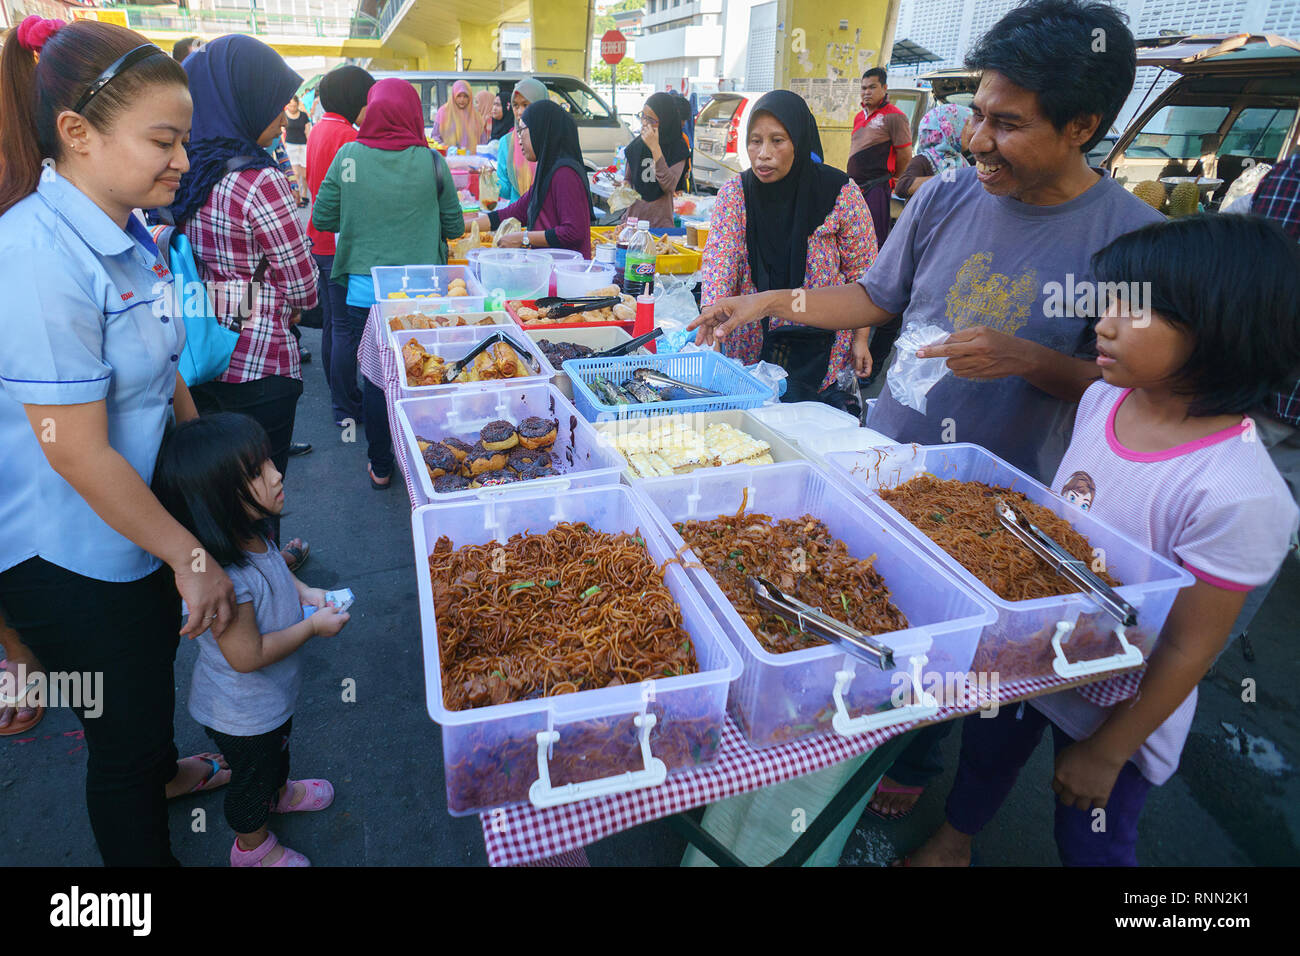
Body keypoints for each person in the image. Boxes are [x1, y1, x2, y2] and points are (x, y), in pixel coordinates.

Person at [690, 0, 1164, 820]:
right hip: (886, 472)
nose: (976, 139)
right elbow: (874, 297)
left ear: (1082, 124)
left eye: (1006, 123)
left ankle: (946, 798)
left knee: (980, 678)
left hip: (996, 518)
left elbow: (1139, 396)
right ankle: (874, 756)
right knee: (873, 625)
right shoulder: (945, 199)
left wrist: (1034, 361)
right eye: (977, 113)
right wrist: (769, 299)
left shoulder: (1129, 242)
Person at [900, 214, 1300, 866]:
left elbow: (1189, 647)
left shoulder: (1241, 492)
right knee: (985, 755)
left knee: (1089, 832)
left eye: (1133, 310)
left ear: (1223, 328)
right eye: (1108, 302)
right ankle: (955, 839)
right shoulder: (1102, 402)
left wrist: (1109, 751)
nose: (1104, 324)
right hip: (1036, 651)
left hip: (1126, 699)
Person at [0, 15, 240, 865]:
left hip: (134, 528)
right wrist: (192, 556)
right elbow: (72, 447)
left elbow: (163, 360)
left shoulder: (127, 230)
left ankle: (162, 768)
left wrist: (206, 466)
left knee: (139, 695)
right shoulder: (35, 255)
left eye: (185, 140)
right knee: (119, 747)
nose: (182, 161)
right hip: (69, 559)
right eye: (163, 141)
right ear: (77, 134)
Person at [153, 413, 350, 867]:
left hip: (270, 702)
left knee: (276, 753)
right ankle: (252, 846)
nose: (276, 472)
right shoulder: (226, 580)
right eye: (257, 471)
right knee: (251, 780)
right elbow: (247, 655)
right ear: (216, 499)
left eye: (267, 461)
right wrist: (312, 626)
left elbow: (280, 571)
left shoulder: (252, 534)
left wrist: (306, 593)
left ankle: (279, 792)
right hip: (242, 713)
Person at [164, 34, 318, 566]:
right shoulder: (259, 181)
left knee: (219, 484)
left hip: (200, 354)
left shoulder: (185, 170)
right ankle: (270, 579)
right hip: (261, 360)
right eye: (272, 100)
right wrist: (274, 297)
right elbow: (303, 286)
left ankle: (225, 572)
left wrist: (233, 290)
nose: (281, 113)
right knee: (263, 480)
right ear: (241, 99)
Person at [313, 78, 464, 490]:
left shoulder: (349, 156)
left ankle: (382, 465)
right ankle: (431, 459)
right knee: (422, 374)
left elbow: (322, 218)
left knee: (378, 379)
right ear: (414, 115)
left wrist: (361, 218)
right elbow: (453, 226)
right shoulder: (433, 163)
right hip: (424, 294)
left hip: (365, 294)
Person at [700, 91, 876, 403]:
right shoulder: (735, 194)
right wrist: (713, 314)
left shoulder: (840, 193)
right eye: (755, 141)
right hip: (750, 352)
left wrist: (860, 339)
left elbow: (864, 274)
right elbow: (720, 261)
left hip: (822, 349)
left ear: (799, 140)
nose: (763, 153)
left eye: (777, 140)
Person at [306, 65, 374, 429]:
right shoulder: (348, 136)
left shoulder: (319, 130)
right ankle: (346, 404)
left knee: (334, 323)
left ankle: (339, 394)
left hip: (319, 241)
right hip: (340, 245)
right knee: (347, 327)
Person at [470, 99, 592, 257]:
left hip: (566, 272)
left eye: (522, 131)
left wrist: (524, 238)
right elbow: (513, 212)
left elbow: (573, 231)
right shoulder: (548, 172)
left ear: (540, 130)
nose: (519, 139)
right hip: (548, 268)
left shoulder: (565, 174)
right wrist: (462, 226)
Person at [847, 67, 912, 243]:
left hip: (877, 187)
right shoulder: (859, 117)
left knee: (874, 239)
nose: (866, 92)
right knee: (854, 236)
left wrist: (896, 180)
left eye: (872, 87)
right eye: (863, 88)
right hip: (855, 187)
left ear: (884, 88)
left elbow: (905, 154)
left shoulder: (895, 117)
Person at [622, 92, 690, 228]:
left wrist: (655, 148)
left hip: (660, 226)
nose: (645, 124)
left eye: (652, 120)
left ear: (666, 120)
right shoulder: (636, 145)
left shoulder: (678, 148)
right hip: (632, 223)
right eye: (643, 117)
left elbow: (669, 185)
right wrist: (625, 186)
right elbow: (629, 178)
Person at [896, 103, 973, 199]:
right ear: (949, 128)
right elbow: (902, 187)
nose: (972, 131)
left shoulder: (961, 160)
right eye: (966, 125)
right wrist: (949, 179)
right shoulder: (924, 160)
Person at [495, 77, 545, 205]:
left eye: (526, 105)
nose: (520, 112)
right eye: (515, 105)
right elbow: (506, 190)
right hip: (517, 217)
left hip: (547, 217)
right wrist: (490, 180)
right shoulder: (507, 143)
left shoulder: (552, 140)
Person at [434, 78, 487, 151]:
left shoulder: (476, 116)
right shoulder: (443, 112)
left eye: (465, 96)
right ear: (453, 96)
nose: (462, 100)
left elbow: (483, 141)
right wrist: (445, 148)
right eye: (459, 96)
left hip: (472, 159)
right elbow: (435, 137)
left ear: (470, 97)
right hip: (448, 158)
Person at [281, 95, 311, 208]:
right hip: (291, 146)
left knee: (304, 175)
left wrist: (309, 142)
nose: (292, 108)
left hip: (303, 146)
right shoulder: (284, 115)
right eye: (290, 105)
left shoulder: (303, 116)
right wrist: (284, 145)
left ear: (297, 105)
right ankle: (298, 197)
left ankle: (304, 194)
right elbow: (282, 130)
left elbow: (308, 130)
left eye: (294, 106)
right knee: (295, 174)